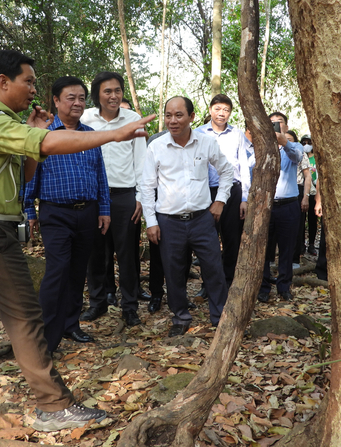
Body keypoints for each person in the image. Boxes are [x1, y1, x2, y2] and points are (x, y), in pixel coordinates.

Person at [0, 50, 154, 431]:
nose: (33, 89)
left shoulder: (1, 122)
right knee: (25, 314)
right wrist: (115, 134)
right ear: (4, 82)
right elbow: (49, 147)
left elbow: (28, 169)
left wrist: (41, 132)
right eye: (28, 82)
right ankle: (53, 405)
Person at [24, 76, 110, 350]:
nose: (77, 102)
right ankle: (47, 338)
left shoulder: (89, 135)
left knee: (77, 272)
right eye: (70, 97)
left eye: (82, 98)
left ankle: (71, 325)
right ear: (57, 101)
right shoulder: (45, 134)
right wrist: (29, 209)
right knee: (57, 271)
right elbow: (31, 174)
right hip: (55, 213)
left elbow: (100, 175)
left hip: (87, 212)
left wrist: (104, 209)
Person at [141, 96, 233, 336]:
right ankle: (180, 317)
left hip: (202, 219)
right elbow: (146, 187)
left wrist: (220, 201)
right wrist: (151, 222)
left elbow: (226, 171)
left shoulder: (206, 143)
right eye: (168, 115)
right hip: (168, 222)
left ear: (191, 117)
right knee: (173, 272)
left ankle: (220, 317)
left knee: (213, 268)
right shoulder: (156, 147)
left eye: (179, 115)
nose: (173, 120)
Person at [81, 72, 147, 327]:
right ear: (97, 94)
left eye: (118, 90)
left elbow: (141, 160)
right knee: (95, 253)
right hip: (93, 195)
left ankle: (130, 307)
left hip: (123, 195)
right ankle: (97, 303)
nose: (113, 95)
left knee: (127, 254)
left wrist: (140, 197)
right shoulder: (85, 118)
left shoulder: (132, 120)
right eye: (107, 91)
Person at [194, 94, 252, 291]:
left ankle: (228, 281)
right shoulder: (198, 133)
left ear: (230, 113)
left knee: (231, 239)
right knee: (207, 240)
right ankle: (207, 283)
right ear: (210, 110)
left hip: (232, 192)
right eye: (218, 109)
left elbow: (244, 165)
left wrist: (244, 198)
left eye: (226, 110)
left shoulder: (237, 134)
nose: (221, 113)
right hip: (205, 192)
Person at [258, 112, 304, 303]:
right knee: (263, 249)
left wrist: (284, 142)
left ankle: (284, 286)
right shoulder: (260, 146)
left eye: (280, 123)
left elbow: (297, 157)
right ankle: (263, 286)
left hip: (289, 206)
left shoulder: (295, 146)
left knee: (286, 249)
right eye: (272, 123)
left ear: (285, 126)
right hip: (266, 206)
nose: (276, 126)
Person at [287, 130, 312, 269]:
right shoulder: (275, 151)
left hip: (297, 189)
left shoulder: (300, 154)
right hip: (280, 192)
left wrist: (305, 197)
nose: (287, 142)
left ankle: (295, 258)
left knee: (297, 226)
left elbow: (307, 176)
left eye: (290, 139)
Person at [301, 134, 318, 256]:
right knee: (301, 219)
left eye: (309, 142)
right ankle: (301, 244)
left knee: (312, 219)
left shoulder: (316, 158)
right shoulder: (299, 157)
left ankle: (311, 244)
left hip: (314, 192)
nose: (306, 145)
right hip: (301, 192)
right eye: (303, 143)